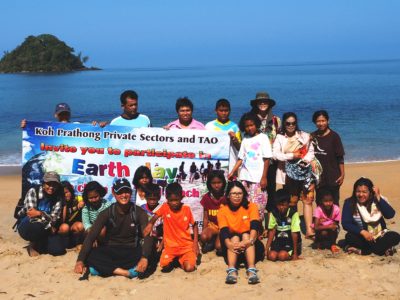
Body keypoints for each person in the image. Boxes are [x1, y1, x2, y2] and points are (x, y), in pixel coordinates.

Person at [74, 178, 153, 278]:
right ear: (114, 193)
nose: (123, 195)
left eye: (126, 192)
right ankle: (125, 272)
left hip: (131, 250)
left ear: (130, 192)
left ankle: (103, 270)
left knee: (147, 254)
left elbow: (147, 235)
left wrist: (144, 257)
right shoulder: (106, 213)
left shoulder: (139, 212)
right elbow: (91, 237)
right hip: (112, 249)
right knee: (90, 255)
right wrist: (80, 261)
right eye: (120, 192)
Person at [273, 112, 316, 238]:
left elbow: (311, 151)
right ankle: (294, 227)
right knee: (292, 201)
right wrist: (292, 156)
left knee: (307, 199)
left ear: (296, 123)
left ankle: (308, 229)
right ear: (284, 124)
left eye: (293, 123)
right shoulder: (280, 138)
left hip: (305, 172)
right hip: (287, 174)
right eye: (288, 123)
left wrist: (304, 161)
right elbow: (275, 155)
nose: (291, 126)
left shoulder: (304, 136)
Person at [144, 182, 199, 273]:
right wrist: (150, 224)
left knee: (189, 268)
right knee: (164, 267)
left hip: (186, 247)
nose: (174, 203)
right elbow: (155, 217)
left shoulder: (186, 209)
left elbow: (195, 226)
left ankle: (179, 261)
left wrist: (195, 243)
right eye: (171, 200)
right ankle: (175, 260)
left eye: (176, 200)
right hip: (170, 247)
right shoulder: (165, 207)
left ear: (181, 197)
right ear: (166, 199)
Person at [217, 181, 264, 285]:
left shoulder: (251, 206)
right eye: (234, 193)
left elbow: (255, 226)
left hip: (250, 243)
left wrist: (249, 241)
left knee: (246, 235)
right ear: (228, 195)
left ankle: (251, 269)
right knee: (234, 237)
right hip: (233, 245)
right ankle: (232, 270)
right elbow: (224, 231)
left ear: (244, 194)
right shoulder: (222, 210)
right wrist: (229, 244)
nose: (237, 196)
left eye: (240, 193)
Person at [228, 112, 272, 222]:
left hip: (257, 179)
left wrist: (264, 177)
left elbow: (267, 159)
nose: (249, 128)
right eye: (247, 126)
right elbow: (241, 158)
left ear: (256, 124)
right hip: (244, 178)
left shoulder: (263, 138)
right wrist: (232, 172)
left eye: (251, 125)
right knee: (245, 204)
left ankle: (258, 230)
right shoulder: (245, 139)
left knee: (258, 206)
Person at [342, 177, 400, 256]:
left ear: (370, 192)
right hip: (362, 237)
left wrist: (378, 197)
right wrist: (362, 232)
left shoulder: (376, 201)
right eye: (358, 191)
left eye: (364, 192)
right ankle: (381, 250)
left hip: (380, 235)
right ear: (354, 191)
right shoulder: (349, 203)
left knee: (395, 236)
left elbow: (390, 215)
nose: (361, 194)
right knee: (349, 237)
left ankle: (363, 251)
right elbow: (346, 223)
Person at [17, 171, 66, 256]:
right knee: (36, 225)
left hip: (46, 226)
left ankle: (40, 242)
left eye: (54, 185)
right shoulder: (33, 191)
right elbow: (31, 215)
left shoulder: (58, 198)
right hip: (27, 224)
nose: (51, 187)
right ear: (43, 183)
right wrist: (49, 224)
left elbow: (54, 218)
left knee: (58, 250)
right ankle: (31, 246)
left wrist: (40, 213)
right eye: (48, 184)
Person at [248, 91, 281, 211]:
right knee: (254, 191)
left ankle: (270, 223)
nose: (262, 103)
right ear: (256, 104)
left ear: (269, 104)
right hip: (254, 162)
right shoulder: (250, 120)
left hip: (271, 162)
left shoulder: (276, 120)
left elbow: (280, 138)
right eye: (259, 102)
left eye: (265, 101)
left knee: (271, 190)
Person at [312, 110, 345, 205]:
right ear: (315, 122)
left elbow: (340, 157)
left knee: (333, 202)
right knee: (320, 202)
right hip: (318, 177)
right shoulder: (312, 136)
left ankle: (334, 220)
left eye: (323, 120)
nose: (321, 123)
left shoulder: (334, 136)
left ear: (328, 121)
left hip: (333, 176)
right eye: (318, 121)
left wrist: (342, 174)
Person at [265, 189, 301, 261]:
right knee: (272, 256)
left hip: (290, 241)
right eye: (279, 205)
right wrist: (266, 248)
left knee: (282, 256)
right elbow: (272, 231)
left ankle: (291, 254)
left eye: (284, 205)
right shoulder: (274, 213)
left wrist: (295, 253)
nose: (281, 207)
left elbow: (294, 233)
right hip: (279, 241)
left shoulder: (293, 214)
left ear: (288, 203)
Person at [205, 98, 241, 171]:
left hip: (231, 162)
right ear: (216, 111)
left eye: (226, 110)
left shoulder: (235, 127)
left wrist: (235, 139)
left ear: (230, 111)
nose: (224, 113)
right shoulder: (209, 126)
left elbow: (240, 149)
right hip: (212, 160)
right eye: (221, 110)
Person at [200, 170, 227, 253]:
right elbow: (205, 217)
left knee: (219, 247)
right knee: (204, 237)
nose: (216, 185)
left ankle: (216, 242)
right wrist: (202, 235)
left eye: (219, 182)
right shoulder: (206, 197)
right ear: (209, 184)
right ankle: (212, 240)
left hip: (224, 227)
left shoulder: (227, 197)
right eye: (213, 183)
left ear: (223, 182)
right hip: (213, 226)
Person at [58, 181, 85, 248]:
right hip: (62, 227)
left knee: (80, 226)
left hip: (73, 226)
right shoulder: (58, 202)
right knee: (65, 228)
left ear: (71, 191)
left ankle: (77, 242)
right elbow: (66, 212)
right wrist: (76, 208)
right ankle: (64, 243)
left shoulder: (77, 199)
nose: (65, 195)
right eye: (63, 194)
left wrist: (82, 202)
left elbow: (85, 199)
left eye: (67, 192)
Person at [313, 189, 340, 253]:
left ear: (333, 200)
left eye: (330, 201)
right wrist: (329, 226)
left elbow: (336, 224)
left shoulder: (336, 209)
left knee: (334, 229)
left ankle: (333, 244)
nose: (328, 203)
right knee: (323, 232)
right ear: (321, 201)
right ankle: (319, 242)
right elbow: (316, 227)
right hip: (322, 229)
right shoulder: (318, 210)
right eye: (325, 201)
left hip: (331, 228)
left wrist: (331, 226)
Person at [140, 183, 164, 253]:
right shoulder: (142, 209)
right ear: (145, 197)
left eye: (154, 199)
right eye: (150, 199)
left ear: (159, 198)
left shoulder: (162, 209)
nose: (152, 202)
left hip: (159, 239)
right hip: (145, 239)